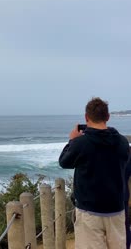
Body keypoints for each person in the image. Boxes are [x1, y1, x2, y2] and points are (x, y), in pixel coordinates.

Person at [59, 97, 130, 249]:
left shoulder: (81, 143)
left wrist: (72, 141)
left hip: (89, 211)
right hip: (116, 209)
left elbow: (64, 162)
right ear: (108, 117)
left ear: (86, 117)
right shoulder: (122, 142)